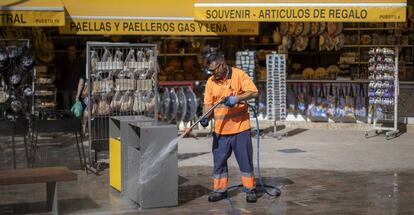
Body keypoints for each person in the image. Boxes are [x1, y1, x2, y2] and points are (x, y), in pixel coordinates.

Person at [199, 52, 259, 203]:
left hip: (240, 129)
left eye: (214, 70)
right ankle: (220, 190)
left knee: (245, 161)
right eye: (210, 71)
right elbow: (208, 102)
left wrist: (237, 98)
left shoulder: (239, 75)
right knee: (219, 162)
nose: (212, 74)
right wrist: (205, 116)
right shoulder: (211, 81)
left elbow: (253, 91)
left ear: (222, 65)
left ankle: (250, 189)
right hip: (220, 131)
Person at [57, 45, 84, 110]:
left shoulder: (79, 61)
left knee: (74, 104)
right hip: (65, 86)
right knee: (66, 105)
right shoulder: (63, 60)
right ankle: (67, 118)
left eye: (72, 50)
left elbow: (81, 74)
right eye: (69, 50)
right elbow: (59, 72)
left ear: (75, 51)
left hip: (75, 86)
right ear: (67, 51)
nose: (71, 52)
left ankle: (74, 119)